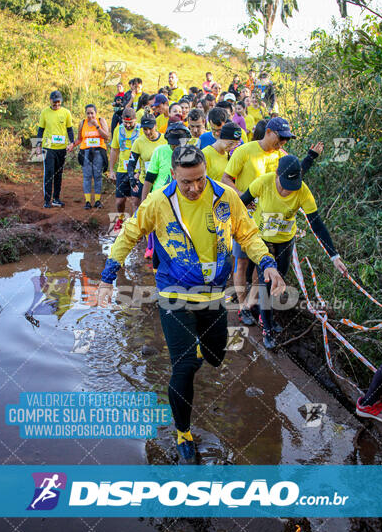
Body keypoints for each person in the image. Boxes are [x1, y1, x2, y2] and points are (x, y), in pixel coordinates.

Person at [98, 145, 285, 463]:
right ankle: (183, 433)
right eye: (186, 182)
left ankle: (201, 350)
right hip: (174, 293)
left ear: (205, 172)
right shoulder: (159, 202)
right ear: (173, 175)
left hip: (212, 295)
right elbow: (130, 233)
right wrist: (108, 274)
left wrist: (267, 262)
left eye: (199, 179)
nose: (194, 187)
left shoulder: (226, 197)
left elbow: (249, 234)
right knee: (183, 366)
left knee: (215, 356)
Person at [221, 117, 322, 325]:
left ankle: (251, 303)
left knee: (263, 264)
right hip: (245, 215)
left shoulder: (281, 156)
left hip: (267, 223)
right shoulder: (244, 151)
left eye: (286, 140)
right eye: (280, 137)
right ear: (268, 132)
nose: (283, 142)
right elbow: (225, 179)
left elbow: (295, 176)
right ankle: (241, 307)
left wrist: (310, 157)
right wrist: (243, 197)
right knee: (241, 262)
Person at [240, 154, 348, 348]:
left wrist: (335, 256)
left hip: (285, 240)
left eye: (292, 187)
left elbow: (317, 225)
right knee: (267, 282)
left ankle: (256, 310)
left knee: (280, 278)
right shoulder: (263, 183)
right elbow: (240, 201)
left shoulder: (302, 191)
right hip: (262, 241)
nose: (288, 191)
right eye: (284, 186)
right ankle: (268, 330)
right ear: (277, 174)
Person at [127, 114, 166, 259]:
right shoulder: (138, 142)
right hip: (146, 180)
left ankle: (160, 242)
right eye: (145, 130)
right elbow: (131, 163)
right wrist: (132, 178)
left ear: (155, 126)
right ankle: (147, 243)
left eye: (150, 129)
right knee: (143, 208)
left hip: (161, 181)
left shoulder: (164, 140)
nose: (148, 132)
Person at [36, 90, 74, 208]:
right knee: (49, 173)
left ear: (61, 101)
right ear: (50, 101)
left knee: (58, 174)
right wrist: (37, 145)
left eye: (58, 102)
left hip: (61, 148)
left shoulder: (66, 113)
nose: (56, 105)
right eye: (54, 103)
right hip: (48, 147)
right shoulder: (44, 112)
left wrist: (72, 143)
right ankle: (47, 200)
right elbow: (41, 130)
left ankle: (56, 199)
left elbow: (69, 129)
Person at [68, 104, 109, 209]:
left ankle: (97, 201)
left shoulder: (101, 121)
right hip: (85, 152)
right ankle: (87, 201)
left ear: (96, 113)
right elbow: (79, 139)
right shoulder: (82, 123)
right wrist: (72, 145)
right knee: (87, 177)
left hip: (98, 151)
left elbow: (106, 137)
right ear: (85, 113)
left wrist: (97, 126)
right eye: (88, 113)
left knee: (97, 176)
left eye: (92, 113)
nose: (90, 115)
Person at [141, 123, 192, 201]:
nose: (175, 147)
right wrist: (143, 201)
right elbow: (149, 179)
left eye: (179, 145)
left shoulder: (192, 154)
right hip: (159, 197)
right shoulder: (160, 151)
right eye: (173, 145)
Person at [109, 108, 141, 231]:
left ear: (135, 120)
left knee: (135, 200)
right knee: (119, 201)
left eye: (130, 122)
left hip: (136, 170)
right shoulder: (118, 130)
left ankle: (134, 226)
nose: (127, 125)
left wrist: (140, 171)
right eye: (125, 122)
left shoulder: (141, 131)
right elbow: (114, 149)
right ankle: (120, 219)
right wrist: (111, 170)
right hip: (122, 170)